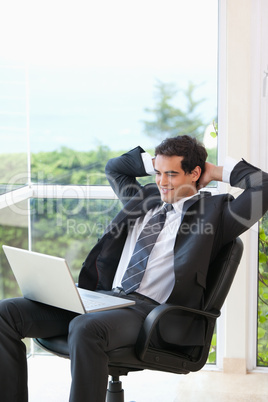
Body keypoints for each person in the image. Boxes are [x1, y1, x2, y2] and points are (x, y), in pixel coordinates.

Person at [0, 135, 268, 402]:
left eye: (172, 174)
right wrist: (158, 163)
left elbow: (263, 186)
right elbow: (114, 167)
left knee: (86, 328)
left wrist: (215, 171)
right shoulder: (145, 198)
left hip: (151, 312)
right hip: (106, 299)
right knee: (6, 314)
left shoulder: (216, 215)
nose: (162, 182)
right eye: (158, 173)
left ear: (194, 172)